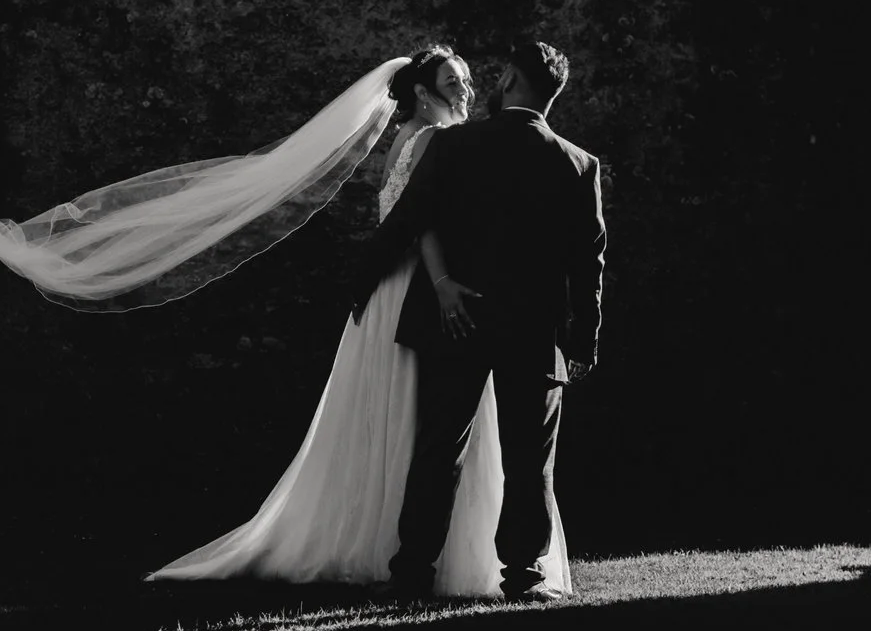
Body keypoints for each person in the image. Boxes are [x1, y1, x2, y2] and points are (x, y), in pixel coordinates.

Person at [145, 47, 572, 596]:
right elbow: (422, 222)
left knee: (425, 427)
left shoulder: (437, 140)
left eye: (466, 79)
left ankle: (405, 552)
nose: (467, 88)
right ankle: (423, 554)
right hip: (422, 288)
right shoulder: (433, 141)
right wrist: (443, 283)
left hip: (413, 287)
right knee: (428, 425)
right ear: (423, 92)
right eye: (453, 80)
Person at [352, 40, 604, 602]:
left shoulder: (456, 144)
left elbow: (408, 217)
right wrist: (584, 338)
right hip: (533, 331)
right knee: (529, 458)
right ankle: (524, 576)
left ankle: (412, 572)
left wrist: (363, 280)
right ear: (553, 94)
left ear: (512, 80)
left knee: (439, 449)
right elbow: (589, 261)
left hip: (458, 319)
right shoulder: (578, 163)